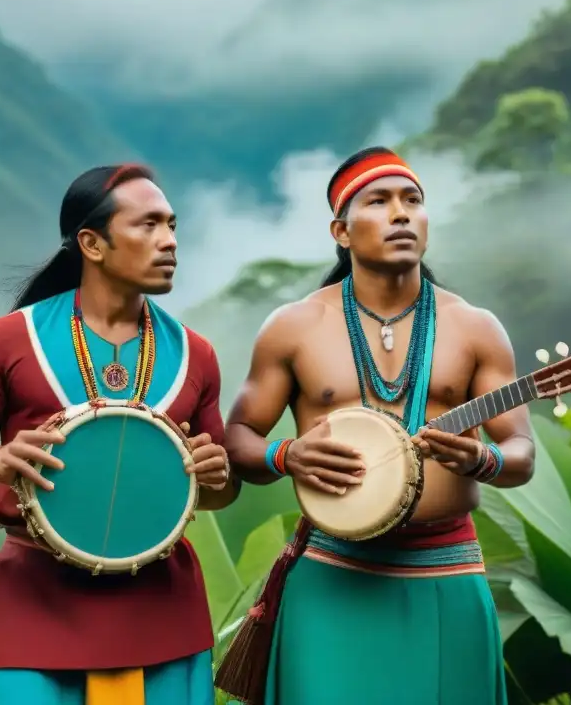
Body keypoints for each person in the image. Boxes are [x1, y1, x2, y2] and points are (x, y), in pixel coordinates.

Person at [216, 146, 535, 705]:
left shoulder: (475, 328)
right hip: (333, 575)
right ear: (341, 230)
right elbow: (236, 440)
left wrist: (480, 459)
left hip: (446, 576)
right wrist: (285, 456)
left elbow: (521, 452)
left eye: (413, 200)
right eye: (380, 201)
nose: (402, 213)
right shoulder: (294, 327)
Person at [0, 164, 238, 705]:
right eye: (148, 226)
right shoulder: (10, 340)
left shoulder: (196, 355)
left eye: (172, 225)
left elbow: (221, 490)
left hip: (161, 608)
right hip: (36, 602)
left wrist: (215, 473)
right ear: (92, 243)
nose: (169, 240)